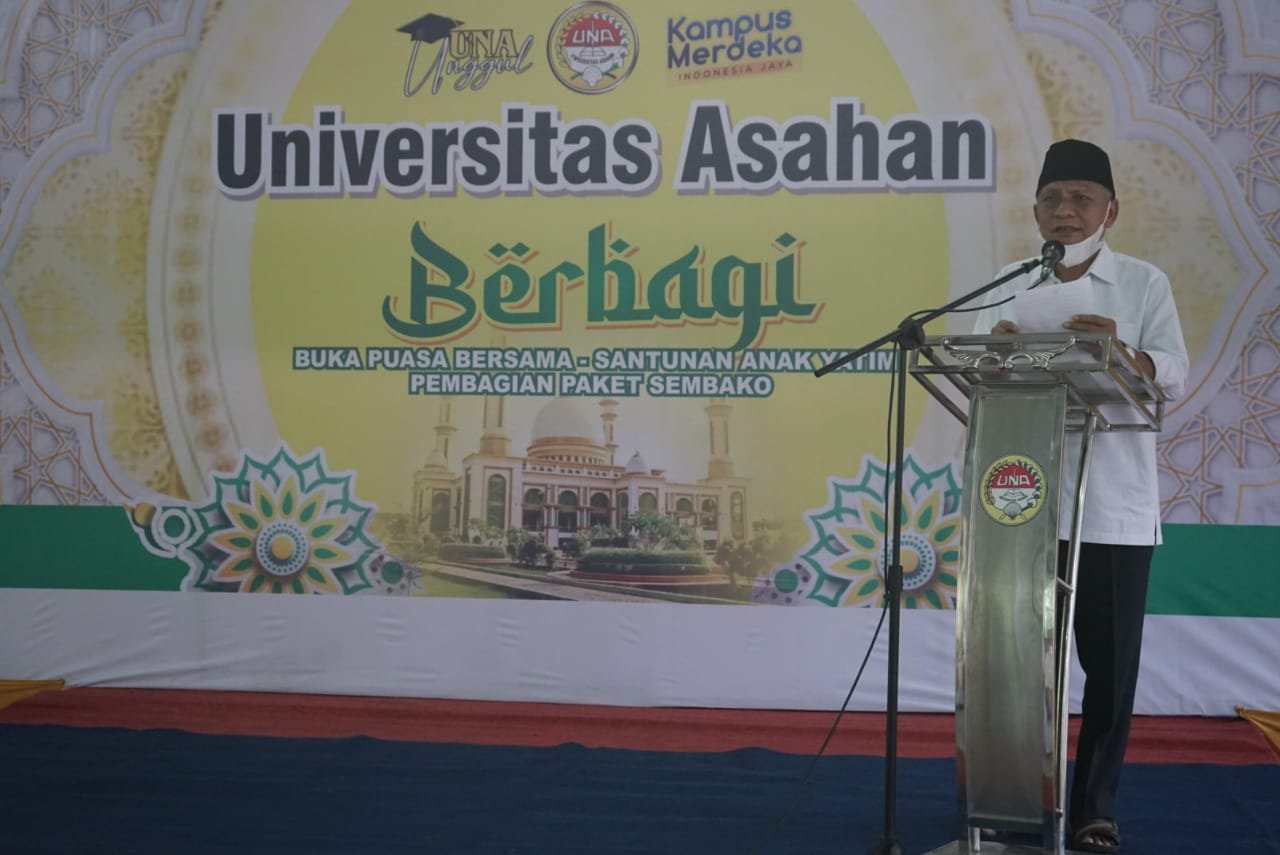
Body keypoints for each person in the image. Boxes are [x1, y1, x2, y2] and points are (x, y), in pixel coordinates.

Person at [970, 139, 1190, 854]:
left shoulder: (1143, 283)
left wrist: (1124, 352)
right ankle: (1013, 803)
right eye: (1052, 198)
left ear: (1110, 211)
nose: (1065, 210)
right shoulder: (1008, 281)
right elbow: (972, 368)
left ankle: (1095, 808)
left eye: (1080, 198)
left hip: (1112, 505)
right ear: (1035, 209)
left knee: (1109, 669)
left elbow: (1175, 370)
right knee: (1017, 665)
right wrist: (996, 350)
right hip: (1021, 504)